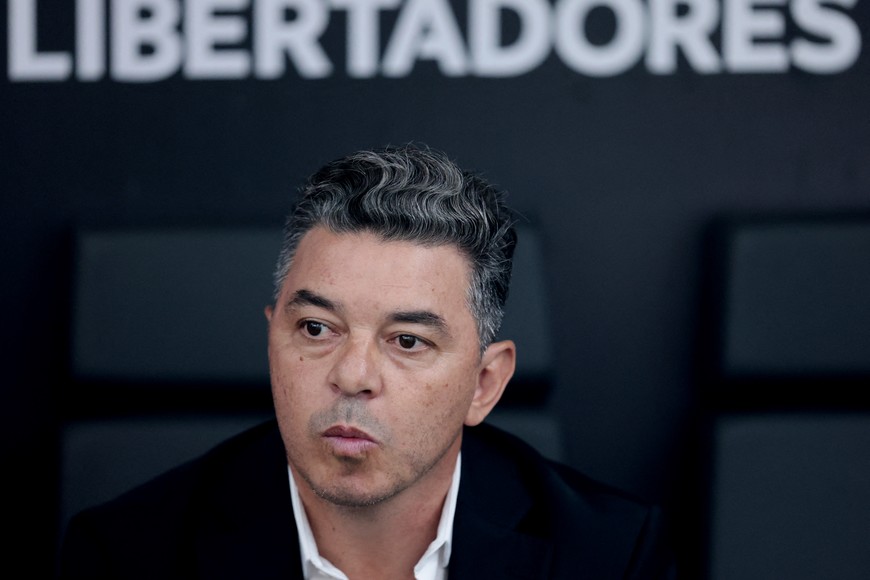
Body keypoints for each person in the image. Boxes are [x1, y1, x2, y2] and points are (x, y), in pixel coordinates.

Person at [60, 146, 673, 579]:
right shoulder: (127, 556)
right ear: (272, 341)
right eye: (316, 328)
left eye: (407, 341)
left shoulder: (610, 556)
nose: (352, 376)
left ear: (484, 384)